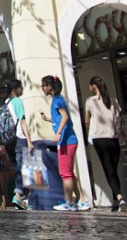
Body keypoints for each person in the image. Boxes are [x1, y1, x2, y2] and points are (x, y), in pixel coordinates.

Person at [39, 75, 92, 212]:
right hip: (68, 141)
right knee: (69, 172)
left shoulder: (57, 100)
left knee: (65, 173)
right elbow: (59, 118)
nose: (42, 88)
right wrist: (47, 119)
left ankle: (69, 201)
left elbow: (65, 117)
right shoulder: (58, 100)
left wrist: (58, 133)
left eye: (43, 85)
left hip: (66, 142)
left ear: (50, 87)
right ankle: (81, 201)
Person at [84, 76, 127, 212]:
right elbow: (119, 121)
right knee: (113, 170)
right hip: (113, 138)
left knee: (109, 170)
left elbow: (86, 120)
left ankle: (120, 197)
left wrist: (90, 129)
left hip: (99, 138)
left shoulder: (91, 101)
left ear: (93, 86)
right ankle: (115, 201)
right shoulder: (113, 101)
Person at [3, 79, 33, 210]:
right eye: (21, 88)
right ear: (14, 90)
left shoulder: (6, 102)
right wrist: (29, 140)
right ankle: (18, 195)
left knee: (17, 168)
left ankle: (22, 198)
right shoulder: (17, 102)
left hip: (8, 140)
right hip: (19, 138)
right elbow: (22, 121)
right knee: (23, 167)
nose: (22, 90)